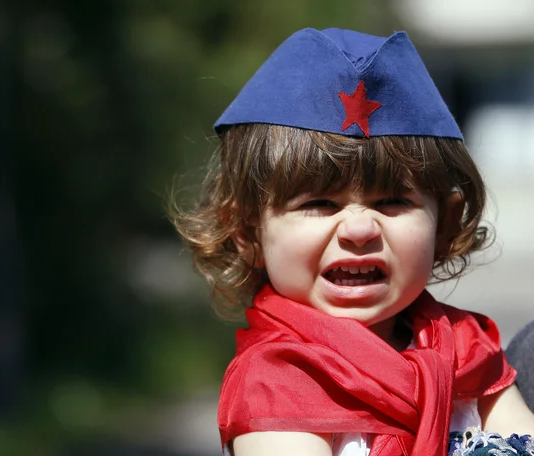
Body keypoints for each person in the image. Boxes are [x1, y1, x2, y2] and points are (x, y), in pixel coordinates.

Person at [170, 27, 534, 456]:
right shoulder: (277, 385)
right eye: (321, 202)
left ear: (444, 223)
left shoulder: (465, 346)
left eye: (393, 201)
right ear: (248, 232)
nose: (359, 230)